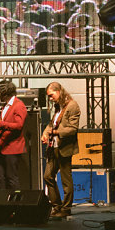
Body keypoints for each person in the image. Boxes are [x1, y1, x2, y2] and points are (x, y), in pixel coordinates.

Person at [41, 81, 81, 217]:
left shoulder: (72, 106)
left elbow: (73, 129)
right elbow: (52, 124)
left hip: (65, 147)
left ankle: (66, 208)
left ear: (58, 91)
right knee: (48, 176)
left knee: (66, 180)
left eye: (52, 96)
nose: (50, 99)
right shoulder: (58, 107)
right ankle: (56, 205)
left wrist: (56, 132)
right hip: (54, 147)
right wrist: (45, 133)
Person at [0, 79, 27, 190]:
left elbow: (18, 125)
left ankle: (16, 204)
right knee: (0, 177)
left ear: (4, 92)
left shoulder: (18, 105)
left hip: (12, 147)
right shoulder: (5, 106)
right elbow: (2, 123)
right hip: (2, 147)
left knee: (12, 177)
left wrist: (0, 123)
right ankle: (3, 203)